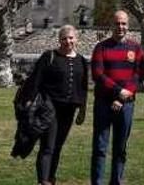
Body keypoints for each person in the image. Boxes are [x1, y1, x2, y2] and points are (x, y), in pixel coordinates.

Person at [17, 25, 89, 185]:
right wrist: (29, 101)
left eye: (71, 38)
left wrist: (83, 110)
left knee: (58, 146)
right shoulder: (49, 56)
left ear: (76, 39)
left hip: (69, 110)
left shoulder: (81, 61)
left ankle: (51, 178)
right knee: (48, 146)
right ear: (59, 40)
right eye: (64, 38)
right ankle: (43, 180)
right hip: (50, 108)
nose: (68, 41)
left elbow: (83, 88)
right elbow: (36, 79)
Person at [90, 9, 144, 185]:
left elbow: (138, 74)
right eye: (117, 23)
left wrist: (122, 97)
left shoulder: (135, 48)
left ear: (128, 26)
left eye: (123, 23)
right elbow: (98, 74)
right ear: (111, 25)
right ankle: (97, 182)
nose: (120, 27)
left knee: (120, 148)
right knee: (100, 147)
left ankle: (116, 181)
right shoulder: (101, 47)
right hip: (103, 104)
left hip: (126, 105)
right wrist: (117, 91)